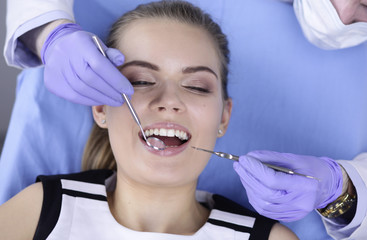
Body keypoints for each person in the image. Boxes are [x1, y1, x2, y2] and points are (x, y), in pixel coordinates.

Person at [2, 0, 367, 239]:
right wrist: (50, 33)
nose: (170, 101)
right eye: (141, 81)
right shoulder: (40, 209)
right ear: (100, 108)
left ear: (224, 118)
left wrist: (340, 190)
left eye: (196, 86)